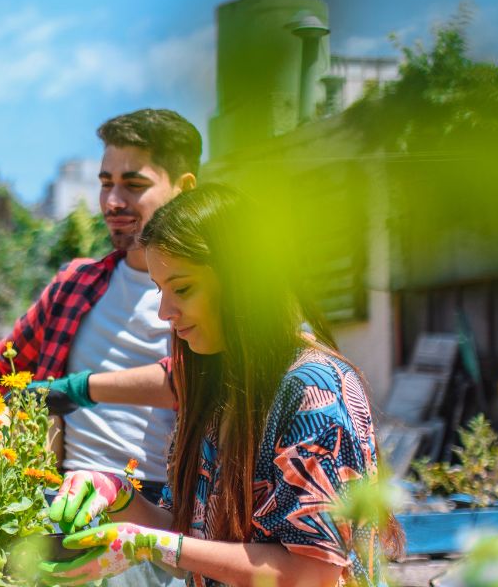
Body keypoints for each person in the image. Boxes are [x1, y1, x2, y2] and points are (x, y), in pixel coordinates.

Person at [0, 109, 199, 584]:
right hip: (60, 504)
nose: (113, 200)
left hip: (157, 513)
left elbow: (198, 380)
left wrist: (77, 388)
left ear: (184, 187)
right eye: (105, 183)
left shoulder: (203, 293)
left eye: (134, 184)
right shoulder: (77, 284)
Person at [41, 184, 387, 587]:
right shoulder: (217, 387)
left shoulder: (314, 392)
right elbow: (194, 545)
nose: (164, 312)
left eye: (183, 289)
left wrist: (148, 545)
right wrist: (119, 494)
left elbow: (314, 574)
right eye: (160, 290)